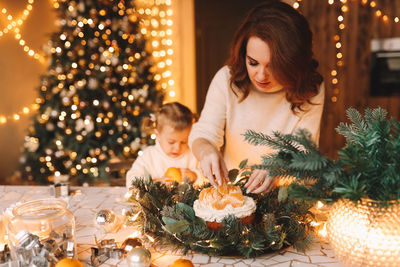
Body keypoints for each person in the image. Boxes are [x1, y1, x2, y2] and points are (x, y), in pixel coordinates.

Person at [189, 1, 325, 194]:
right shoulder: (226, 79)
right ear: (243, 54)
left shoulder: (311, 88)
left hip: (288, 198)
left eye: (274, 66)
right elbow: (204, 133)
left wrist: (278, 168)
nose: (261, 76)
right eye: (253, 62)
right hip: (233, 192)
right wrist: (206, 151)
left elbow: (304, 153)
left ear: (293, 64)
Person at [126, 102, 202, 188]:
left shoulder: (193, 155)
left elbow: (209, 180)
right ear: (158, 135)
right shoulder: (149, 156)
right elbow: (131, 180)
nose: (177, 148)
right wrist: (153, 183)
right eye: (171, 142)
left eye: (184, 142)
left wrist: (195, 176)